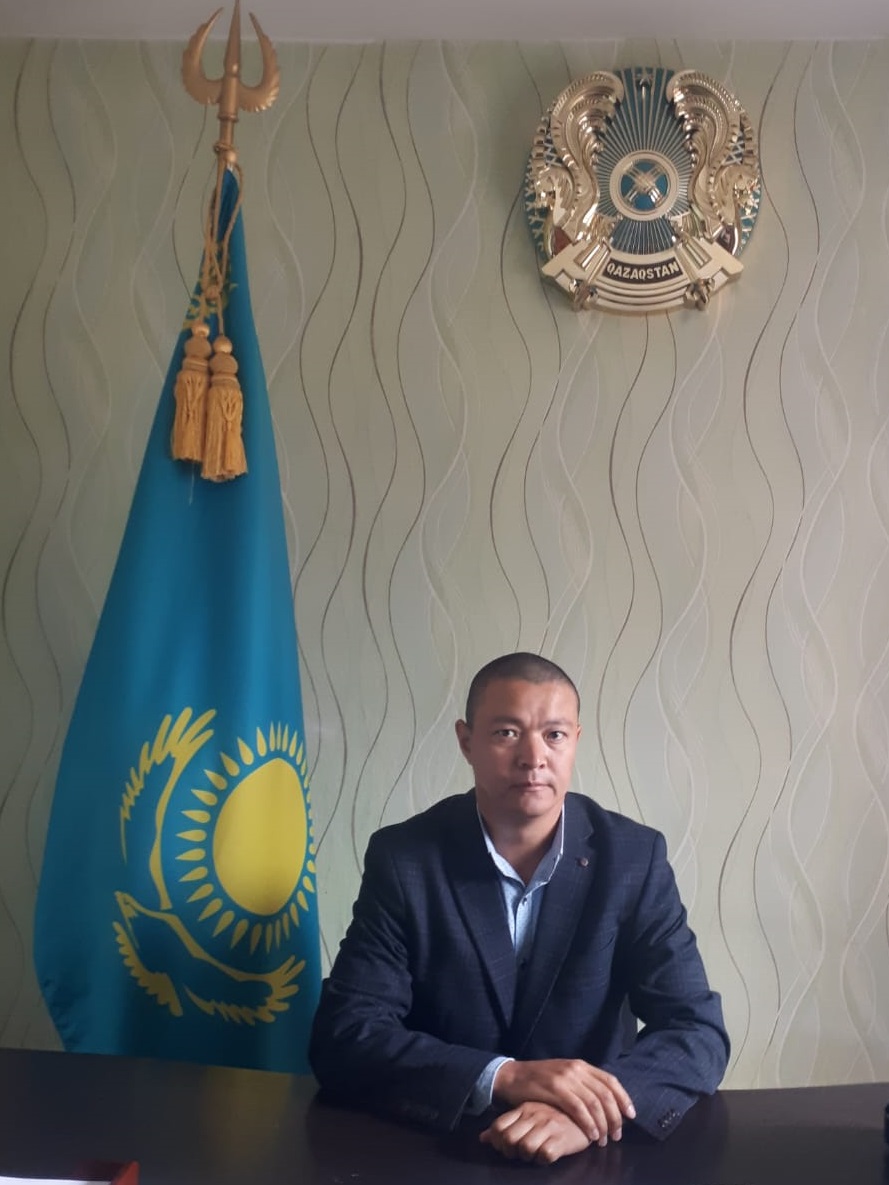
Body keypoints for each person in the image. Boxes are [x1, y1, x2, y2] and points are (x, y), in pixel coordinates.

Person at [309, 652, 729, 1164]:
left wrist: (587, 1113)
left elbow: (696, 1030)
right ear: (467, 741)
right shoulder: (406, 859)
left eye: (554, 734)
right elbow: (346, 1035)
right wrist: (503, 1076)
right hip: (440, 1145)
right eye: (507, 733)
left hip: (590, 1153)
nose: (534, 757)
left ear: (575, 740)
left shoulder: (633, 859)